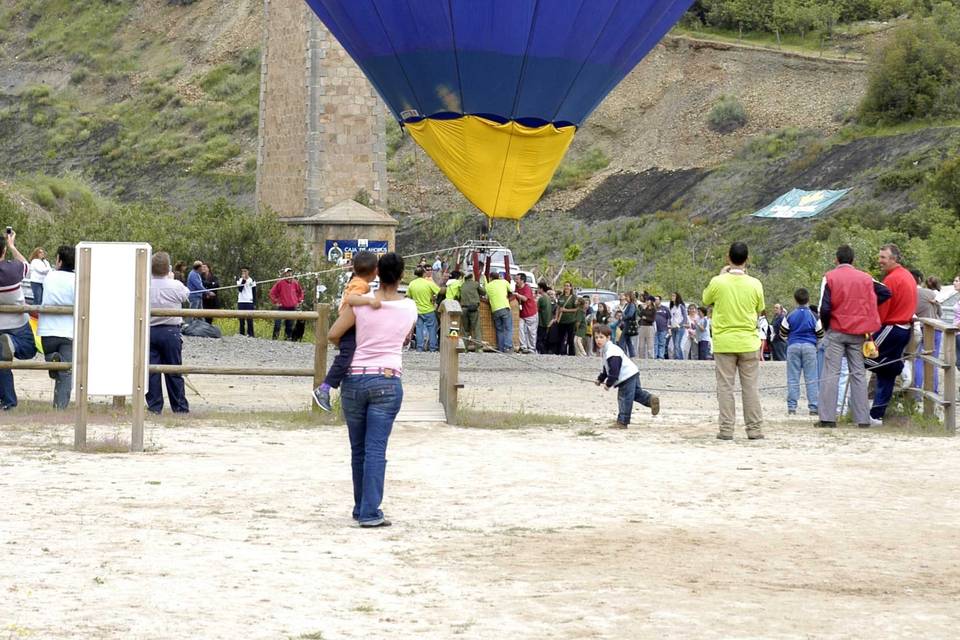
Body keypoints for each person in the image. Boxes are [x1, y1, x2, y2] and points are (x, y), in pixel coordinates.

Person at [328, 252, 417, 528]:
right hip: (387, 379)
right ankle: (370, 511)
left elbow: (333, 333)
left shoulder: (361, 304)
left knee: (359, 449)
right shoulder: (409, 307)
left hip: (355, 379)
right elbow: (404, 339)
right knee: (377, 448)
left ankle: (360, 507)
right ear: (401, 276)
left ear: (377, 274)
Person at [817, 244, 890, 429]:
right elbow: (885, 292)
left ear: (836, 260)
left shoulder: (830, 277)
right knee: (858, 374)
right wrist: (867, 307)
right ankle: (863, 419)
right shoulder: (865, 278)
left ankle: (828, 418)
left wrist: (827, 326)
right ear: (853, 261)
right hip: (859, 332)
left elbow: (824, 308)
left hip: (836, 330)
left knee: (831, 374)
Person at [702, 242, 766, 440]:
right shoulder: (755, 284)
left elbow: (706, 300)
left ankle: (727, 429)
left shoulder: (718, 282)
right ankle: (754, 429)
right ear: (747, 260)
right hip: (748, 341)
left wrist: (722, 276)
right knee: (751, 388)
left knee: (725, 387)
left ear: (728, 258)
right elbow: (759, 308)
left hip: (724, 342)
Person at [312, 252, 385, 411]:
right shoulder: (361, 284)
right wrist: (370, 301)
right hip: (349, 326)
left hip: (349, 325)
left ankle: (332, 386)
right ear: (375, 270)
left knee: (349, 357)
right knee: (345, 358)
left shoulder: (356, 280)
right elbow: (352, 299)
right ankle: (324, 389)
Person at [867, 243, 918, 424]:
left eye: (883, 257)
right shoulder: (908, 276)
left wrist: (872, 328)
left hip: (891, 327)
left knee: (863, 357)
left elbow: (883, 310)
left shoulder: (891, 280)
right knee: (885, 375)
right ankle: (876, 415)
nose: (879, 261)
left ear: (893, 259)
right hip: (903, 329)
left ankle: (901, 367)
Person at [147, 252, 191, 414]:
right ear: (168, 268)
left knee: (152, 371)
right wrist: (172, 278)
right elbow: (186, 295)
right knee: (174, 371)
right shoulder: (176, 285)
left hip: (150, 332)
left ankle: (154, 407)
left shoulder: (145, 285)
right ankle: (179, 407)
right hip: (171, 331)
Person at [0, 229, 38, 410]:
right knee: (29, 351)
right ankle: (13, 343)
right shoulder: (13, 269)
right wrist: (12, 245)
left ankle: (8, 402)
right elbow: (28, 266)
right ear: (3, 251)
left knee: (2, 363)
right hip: (18, 324)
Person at [594, 324, 660, 428]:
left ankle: (622, 422)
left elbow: (614, 372)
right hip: (633, 372)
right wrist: (600, 379)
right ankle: (650, 399)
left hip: (626, 376)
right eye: (596, 337)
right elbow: (606, 368)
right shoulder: (607, 350)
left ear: (608, 338)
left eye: (601, 337)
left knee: (624, 397)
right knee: (635, 394)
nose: (598, 340)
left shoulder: (611, 351)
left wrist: (608, 384)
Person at [37, 245, 76, 410]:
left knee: (54, 367)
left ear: (59, 261)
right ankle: (59, 409)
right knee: (65, 372)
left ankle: (53, 359)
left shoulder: (49, 277)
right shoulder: (77, 280)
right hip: (67, 332)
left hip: (47, 330)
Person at [780, 288, 823, 417]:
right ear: (808, 299)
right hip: (809, 346)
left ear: (795, 300)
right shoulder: (814, 316)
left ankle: (792, 407)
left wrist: (790, 340)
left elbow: (782, 332)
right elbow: (820, 334)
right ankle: (813, 407)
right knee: (811, 378)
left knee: (793, 377)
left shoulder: (790, 315)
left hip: (793, 346)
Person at [910, 271, 941, 393]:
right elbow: (940, 313)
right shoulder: (930, 293)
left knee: (918, 359)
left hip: (919, 327)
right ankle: (933, 390)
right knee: (934, 360)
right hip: (935, 328)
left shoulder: (911, 293)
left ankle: (916, 390)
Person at [407, 266, 442, 352]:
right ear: (423, 273)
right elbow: (439, 291)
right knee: (432, 329)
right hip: (429, 310)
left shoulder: (412, 284)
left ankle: (420, 347)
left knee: (419, 328)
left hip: (417, 311)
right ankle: (432, 348)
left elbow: (408, 296)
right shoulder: (428, 283)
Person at [269, 268, 304, 340]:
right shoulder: (280, 282)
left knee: (289, 326)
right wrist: (276, 302)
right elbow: (272, 293)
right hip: (282, 307)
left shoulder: (295, 283)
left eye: (290, 273)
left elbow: (301, 293)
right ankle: (274, 339)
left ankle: (287, 341)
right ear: (285, 274)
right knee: (277, 324)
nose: (289, 274)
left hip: (292, 308)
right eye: (288, 273)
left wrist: (299, 301)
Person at [485, 271, 514, 353]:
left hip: (494, 309)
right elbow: (511, 290)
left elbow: (486, 296)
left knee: (499, 329)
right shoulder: (504, 282)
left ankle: (501, 348)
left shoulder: (488, 286)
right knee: (508, 328)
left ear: (490, 278)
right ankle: (507, 347)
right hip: (504, 307)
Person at [459, 273, 484, 352]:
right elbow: (483, 292)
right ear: (471, 277)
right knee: (476, 328)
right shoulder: (475, 284)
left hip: (464, 309)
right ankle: (478, 348)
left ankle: (465, 348)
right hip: (473, 308)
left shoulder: (462, 286)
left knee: (465, 329)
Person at [514, 273, 537, 354]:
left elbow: (525, 299)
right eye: (515, 279)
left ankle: (532, 348)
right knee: (520, 329)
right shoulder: (516, 287)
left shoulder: (527, 288)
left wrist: (517, 295)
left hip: (530, 313)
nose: (515, 281)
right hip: (521, 313)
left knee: (531, 331)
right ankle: (523, 346)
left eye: (517, 279)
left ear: (522, 280)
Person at [554, 282, 578, 356]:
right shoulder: (561, 297)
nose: (566, 287)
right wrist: (556, 317)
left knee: (570, 338)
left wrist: (566, 310)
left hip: (570, 320)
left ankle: (571, 353)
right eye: (565, 286)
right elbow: (558, 307)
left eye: (568, 286)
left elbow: (577, 309)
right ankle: (559, 352)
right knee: (560, 337)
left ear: (571, 287)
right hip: (561, 320)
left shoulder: (573, 297)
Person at [236, 268, 257, 338]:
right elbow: (240, 289)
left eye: (245, 271)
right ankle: (242, 334)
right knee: (241, 319)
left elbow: (254, 292)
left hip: (249, 301)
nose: (244, 273)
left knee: (250, 319)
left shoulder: (252, 280)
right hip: (241, 301)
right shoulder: (239, 280)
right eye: (242, 271)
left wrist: (254, 303)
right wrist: (243, 280)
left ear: (248, 272)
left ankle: (251, 334)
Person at [618, 291, 638, 358]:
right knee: (628, 341)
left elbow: (630, 315)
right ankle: (632, 355)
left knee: (622, 341)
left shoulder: (631, 305)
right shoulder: (629, 304)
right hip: (628, 325)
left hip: (628, 325)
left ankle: (623, 355)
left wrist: (623, 316)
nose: (626, 298)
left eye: (627, 296)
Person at [669, 292, 687, 360]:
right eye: (672, 296)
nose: (672, 297)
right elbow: (671, 317)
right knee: (675, 344)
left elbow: (685, 317)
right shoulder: (672, 307)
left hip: (680, 328)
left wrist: (680, 325)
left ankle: (679, 358)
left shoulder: (681, 306)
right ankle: (678, 357)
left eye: (674, 296)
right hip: (673, 327)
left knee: (677, 344)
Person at [535, 282, 552, 354]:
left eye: (538, 288)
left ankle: (541, 351)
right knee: (544, 338)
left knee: (540, 338)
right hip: (547, 321)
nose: (537, 290)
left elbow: (536, 309)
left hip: (541, 322)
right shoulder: (548, 298)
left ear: (541, 289)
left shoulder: (541, 299)